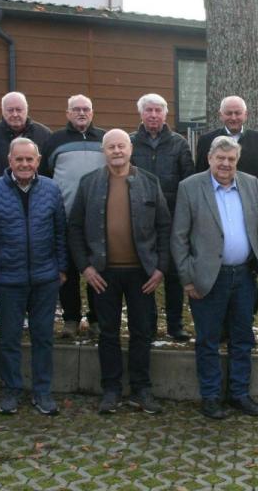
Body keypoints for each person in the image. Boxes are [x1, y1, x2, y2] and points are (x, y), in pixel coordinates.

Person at [171, 136, 258, 420]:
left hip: (243, 276)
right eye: (220, 158)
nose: (225, 164)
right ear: (209, 158)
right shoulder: (190, 187)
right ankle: (211, 396)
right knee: (208, 340)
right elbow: (179, 238)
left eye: (231, 159)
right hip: (208, 279)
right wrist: (187, 279)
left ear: (237, 160)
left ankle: (239, 394)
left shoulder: (250, 183)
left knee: (242, 338)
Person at [67, 129, 171, 416]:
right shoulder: (89, 183)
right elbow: (74, 228)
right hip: (103, 275)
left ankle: (141, 389)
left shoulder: (149, 182)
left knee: (141, 332)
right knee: (108, 333)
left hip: (142, 274)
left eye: (121, 146)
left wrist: (160, 268)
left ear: (130, 149)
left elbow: (164, 227)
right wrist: (85, 267)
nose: (116, 151)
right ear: (104, 151)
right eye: (111, 146)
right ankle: (111, 390)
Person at [0, 138, 67, 416]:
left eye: (30, 159)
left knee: (43, 337)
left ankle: (42, 391)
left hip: (45, 278)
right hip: (8, 279)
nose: (25, 164)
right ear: (9, 160)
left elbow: (60, 233)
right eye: (19, 159)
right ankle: (11, 390)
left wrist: (61, 268)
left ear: (38, 161)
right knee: (9, 338)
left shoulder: (51, 189)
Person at [39, 94, 106, 341]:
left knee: (97, 271)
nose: (81, 113)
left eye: (86, 109)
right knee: (67, 273)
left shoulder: (104, 139)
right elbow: (44, 177)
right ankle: (71, 319)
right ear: (67, 113)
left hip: (97, 221)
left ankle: (96, 319)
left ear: (92, 112)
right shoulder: (54, 140)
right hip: (65, 218)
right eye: (76, 109)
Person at [130, 93, 194, 342]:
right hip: (140, 220)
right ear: (141, 114)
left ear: (166, 114)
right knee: (145, 274)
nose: (153, 115)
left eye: (158, 110)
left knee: (174, 275)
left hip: (174, 219)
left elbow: (188, 181)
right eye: (149, 110)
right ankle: (148, 324)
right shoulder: (131, 142)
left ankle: (175, 325)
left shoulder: (179, 144)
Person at [195, 95, 258, 221]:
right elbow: (200, 177)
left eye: (238, 113)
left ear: (246, 115)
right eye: (229, 113)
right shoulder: (206, 141)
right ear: (221, 115)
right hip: (216, 210)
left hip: (250, 209)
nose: (233, 118)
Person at [0, 91, 52, 177]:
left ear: (27, 110)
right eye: (10, 110)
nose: (15, 114)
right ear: (2, 111)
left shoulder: (44, 135)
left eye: (19, 110)